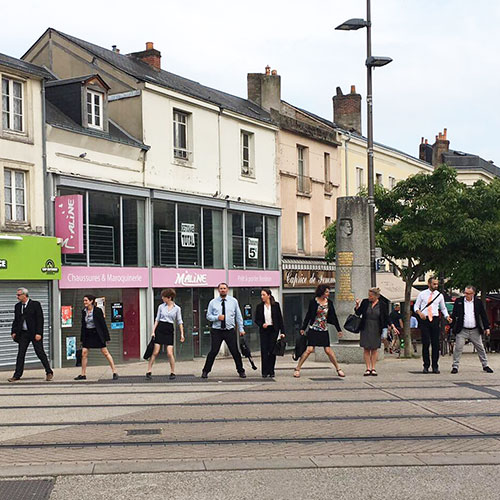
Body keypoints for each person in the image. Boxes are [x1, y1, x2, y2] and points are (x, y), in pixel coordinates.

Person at [294, 284, 345, 378]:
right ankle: (297, 369)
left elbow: (333, 316)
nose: (328, 293)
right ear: (322, 292)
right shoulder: (313, 302)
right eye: (326, 292)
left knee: (328, 350)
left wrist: (338, 329)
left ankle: (338, 368)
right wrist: (303, 328)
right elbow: (309, 315)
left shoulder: (329, 303)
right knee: (309, 350)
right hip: (313, 328)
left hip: (324, 329)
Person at [8, 288, 54, 382]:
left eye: (19, 295)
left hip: (34, 333)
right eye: (17, 295)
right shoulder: (17, 306)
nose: (17, 297)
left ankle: (49, 371)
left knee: (39, 352)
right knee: (21, 354)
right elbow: (16, 320)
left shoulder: (35, 304)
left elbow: (40, 319)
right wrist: (13, 332)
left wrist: (39, 333)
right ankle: (17, 375)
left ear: (25, 295)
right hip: (23, 333)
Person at [202, 283, 246, 379]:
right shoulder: (213, 302)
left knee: (235, 351)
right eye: (221, 288)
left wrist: (241, 329)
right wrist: (217, 317)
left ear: (227, 290)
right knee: (213, 351)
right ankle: (205, 371)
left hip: (229, 330)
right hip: (217, 330)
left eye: (224, 288)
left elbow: (238, 316)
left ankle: (241, 370)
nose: (223, 290)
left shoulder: (233, 301)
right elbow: (208, 316)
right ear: (218, 290)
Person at [450, 286, 493, 374]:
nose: (467, 295)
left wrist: (486, 327)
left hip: (475, 329)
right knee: (458, 347)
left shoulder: (478, 302)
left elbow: (483, 315)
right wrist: (451, 325)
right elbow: (454, 315)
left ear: (473, 293)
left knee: (480, 347)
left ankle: (485, 365)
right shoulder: (459, 301)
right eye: (465, 293)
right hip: (462, 329)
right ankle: (455, 366)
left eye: (469, 293)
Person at [74, 295, 118, 381]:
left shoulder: (98, 311)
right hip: (88, 334)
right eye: (84, 300)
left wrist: (106, 337)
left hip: (97, 333)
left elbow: (103, 324)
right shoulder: (84, 311)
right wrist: (81, 339)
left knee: (105, 352)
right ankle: (83, 374)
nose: (84, 302)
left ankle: (114, 371)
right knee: (84, 353)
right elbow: (83, 326)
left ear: (91, 301)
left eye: (86, 300)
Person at [414, 277, 452, 374]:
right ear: (429, 284)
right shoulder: (422, 294)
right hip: (424, 319)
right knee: (426, 343)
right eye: (434, 284)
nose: (436, 286)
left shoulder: (439, 295)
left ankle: (435, 365)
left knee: (435, 343)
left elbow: (443, 308)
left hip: (434, 319)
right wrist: (419, 313)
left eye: (437, 284)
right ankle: (426, 365)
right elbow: (416, 306)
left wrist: (447, 316)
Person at [146, 288, 185, 380]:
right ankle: (149, 370)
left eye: (164, 297)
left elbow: (179, 321)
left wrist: (182, 334)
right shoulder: (161, 307)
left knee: (169, 353)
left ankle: (172, 371)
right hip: (160, 328)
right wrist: (153, 331)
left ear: (169, 298)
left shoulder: (177, 308)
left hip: (169, 329)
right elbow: (157, 319)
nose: (162, 298)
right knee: (155, 352)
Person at [355, 287, 395, 376]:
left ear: (376, 296)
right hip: (365, 327)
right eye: (369, 295)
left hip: (377, 327)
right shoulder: (365, 302)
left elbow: (386, 316)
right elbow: (358, 313)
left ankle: (373, 368)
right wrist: (357, 305)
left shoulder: (382, 304)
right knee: (366, 348)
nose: (369, 297)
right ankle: (367, 368)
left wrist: (392, 325)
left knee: (374, 348)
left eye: (371, 296)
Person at [255, 288, 285, 378]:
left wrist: (282, 332)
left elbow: (280, 319)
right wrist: (262, 324)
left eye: (264, 295)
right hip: (264, 330)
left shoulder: (276, 305)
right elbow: (256, 319)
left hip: (273, 329)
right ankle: (264, 371)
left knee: (272, 351)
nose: (262, 297)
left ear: (269, 295)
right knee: (264, 350)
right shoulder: (259, 306)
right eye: (261, 295)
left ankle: (271, 370)